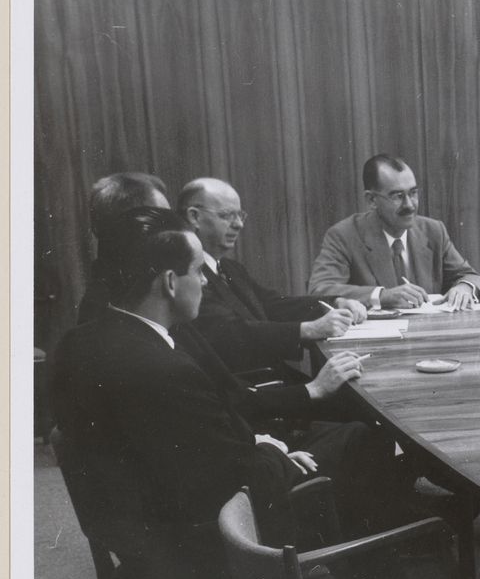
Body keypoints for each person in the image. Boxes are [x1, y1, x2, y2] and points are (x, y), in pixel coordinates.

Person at [52, 209, 313, 557]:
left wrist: (258, 444)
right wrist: (274, 451)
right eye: (198, 271)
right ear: (170, 282)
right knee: (356, 450)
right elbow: (231, 479)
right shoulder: (167, 371)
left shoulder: (76, 342)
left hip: (138, 535)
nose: (206, 281)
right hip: (198, 549)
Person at [178, 177, 365, 375]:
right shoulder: (187, 275)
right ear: (194, 217)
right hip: (244, 389)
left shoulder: (229, 267)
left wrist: (335, 302)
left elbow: (273, 304)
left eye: (240, 215)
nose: (239, 224)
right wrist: (311, 329)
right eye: (227, 216)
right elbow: (231, 333)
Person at [309, 155, 480, 310]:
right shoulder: (344, 235)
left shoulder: (433, 231)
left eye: (413, 193)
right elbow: (320, 290)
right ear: (371, 200)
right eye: (397, 196)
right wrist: (382, 296)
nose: (410, 205)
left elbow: (472, 277)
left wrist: (465, 287)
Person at [76, 172, 172, 324]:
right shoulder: (111, 303)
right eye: (163, 221)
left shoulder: (135, 284)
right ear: (136, 227)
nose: (174, 230)